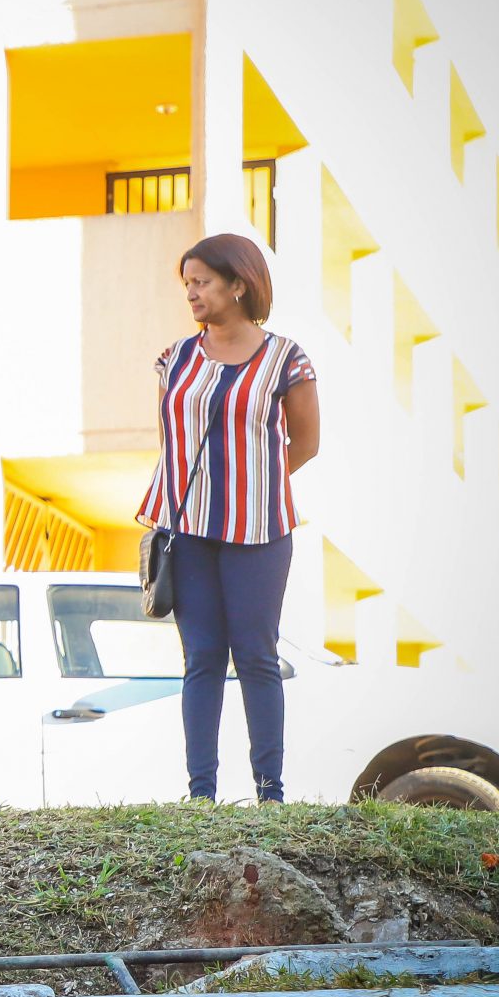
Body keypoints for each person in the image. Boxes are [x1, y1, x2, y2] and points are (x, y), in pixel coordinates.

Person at [136, 234, 320, 804]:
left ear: (238, 284)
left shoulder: (286, 359)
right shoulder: (176, 358)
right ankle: (201, 795)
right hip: (186, 530)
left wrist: (250, 486)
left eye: (202, 282)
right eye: (186, 283)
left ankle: (271, 794)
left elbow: (306, 443)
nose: (191, 293)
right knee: (203, 658)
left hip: (260, 532)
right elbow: (174, 442)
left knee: (257, 656)